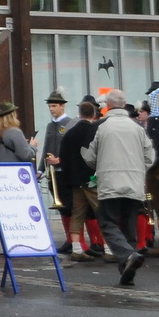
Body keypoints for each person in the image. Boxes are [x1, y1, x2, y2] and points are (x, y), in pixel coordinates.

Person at [84, 89, 156, 287]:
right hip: (133, 183)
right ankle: (127, 271)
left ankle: (128, 255)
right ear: (124, 105)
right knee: (129, 225)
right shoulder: (138, 128)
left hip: (110, 182)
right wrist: (138, 171)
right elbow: (150, 157)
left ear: (107, 105)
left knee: (107, 222)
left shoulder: (103, 127)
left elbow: (91, 159)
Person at [57, 101, 101, 261]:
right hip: (92, 178)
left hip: (75, 180)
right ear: (94, 114)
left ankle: (76, 248)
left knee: (77, 213)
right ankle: (110, 249)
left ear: (80, 114)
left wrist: (69, 179)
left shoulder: (70, 133)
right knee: (102, 212)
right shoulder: (96, 131)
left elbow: (64, 158)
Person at [38, 91, 77, 251]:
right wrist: (40, 170)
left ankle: (75, 240)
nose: (51, 109)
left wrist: (60, 160)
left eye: (54, 106)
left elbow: (74, 150)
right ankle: (69, 239)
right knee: (61, 208)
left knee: (70, 207)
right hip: (53, 173)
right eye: (49, 106)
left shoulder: (70, 124)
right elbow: (46, 148)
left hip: (65, 171)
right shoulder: (50, 126)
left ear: (62, 106)